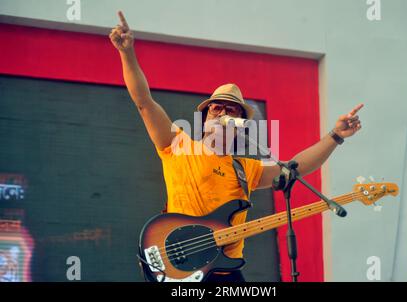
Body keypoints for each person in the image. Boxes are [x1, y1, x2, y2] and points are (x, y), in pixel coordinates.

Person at [109, 11, 363, 282]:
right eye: (215, 107)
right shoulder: (177, 144)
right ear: (205, 116)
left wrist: (335, 136)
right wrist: (127, 53)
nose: (220, 112)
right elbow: (144, 102)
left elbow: (295, 168)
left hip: (224, 270)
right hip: (179, 266)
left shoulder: (246, 168)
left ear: (239, 122)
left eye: (230, 109)